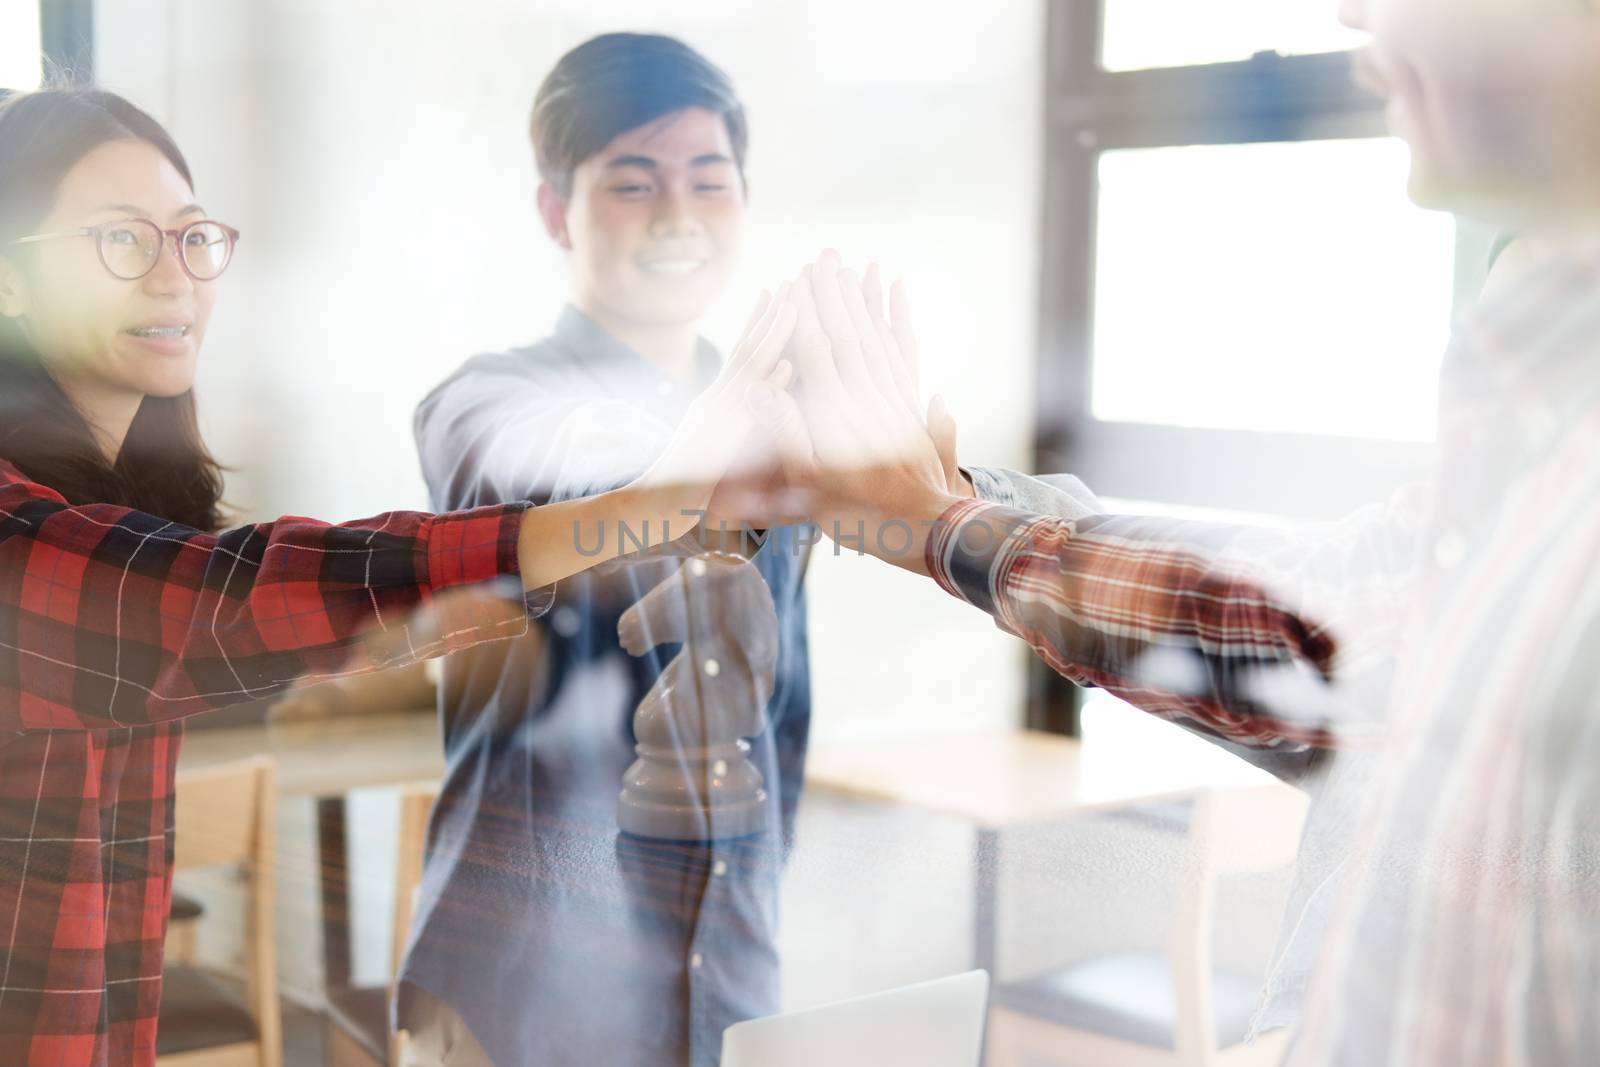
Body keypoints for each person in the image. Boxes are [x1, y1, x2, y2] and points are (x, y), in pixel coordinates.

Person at [752, 0, 1600, 1058]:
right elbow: (1321, 622)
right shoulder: (1531, 427)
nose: (1348, 12)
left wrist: (942, 519)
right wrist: (944, 512)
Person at [0, 85, 795, 1067]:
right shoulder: (20, 540)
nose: (175, 277)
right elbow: (232, 598)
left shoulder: (107, 523)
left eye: (192, 235)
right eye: (119, 240)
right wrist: (632, 507)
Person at [402, 32, 1095, 1067]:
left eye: (708, 180)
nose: (679, 214)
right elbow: (560, 481)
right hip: (524, 979)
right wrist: (727, 450)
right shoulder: (484, 403)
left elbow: (968, 502)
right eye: (632, 182)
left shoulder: (782, 403)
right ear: (556, 209)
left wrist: (941, 490)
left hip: (727, 956)